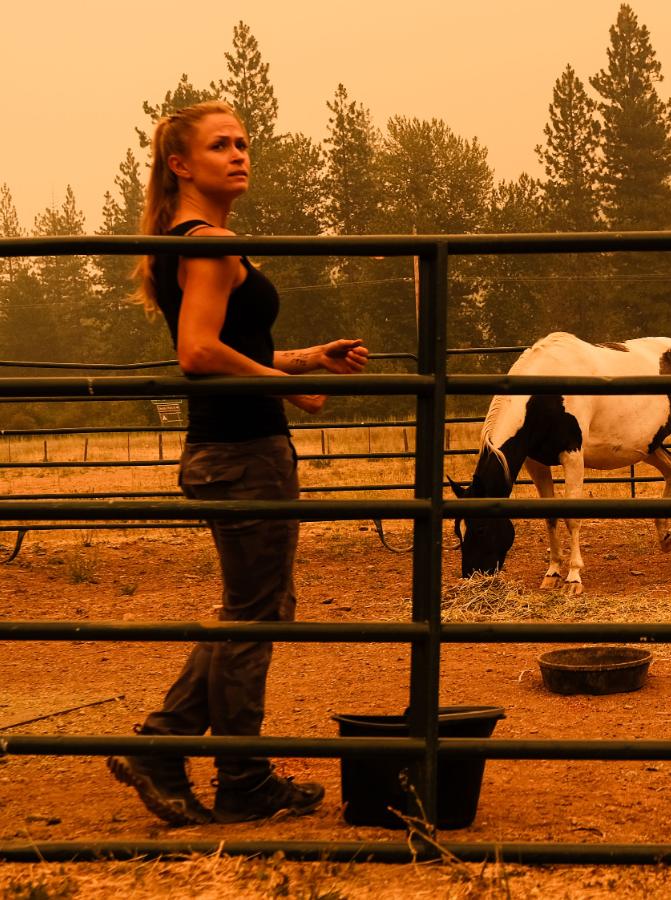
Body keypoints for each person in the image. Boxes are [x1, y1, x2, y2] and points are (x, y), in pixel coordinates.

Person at [109, 99, 370, 826]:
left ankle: (173, 747)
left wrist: (301, 360)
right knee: (254, 616)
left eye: (244, 143)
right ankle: (239, 775)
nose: (240, 154)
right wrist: (285, 387)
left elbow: (230, 350)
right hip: (242, 452)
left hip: (235, 448)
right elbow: (196, 353)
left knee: (254, 610)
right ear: (180, 164)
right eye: (221, 144)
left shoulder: (195, 240)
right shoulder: (208, 244)